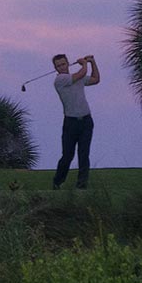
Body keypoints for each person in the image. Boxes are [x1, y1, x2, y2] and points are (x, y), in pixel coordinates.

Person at [51, 53, 99, 189]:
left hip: (86, 121)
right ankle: (57, 181)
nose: (61, 67)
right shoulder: (60, 80)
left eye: (63, 64)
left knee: (84, 154)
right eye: (58, 65)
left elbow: (96, 79)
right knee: (67, 156)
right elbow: (80, 74)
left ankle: (82, 185)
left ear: (67, 63)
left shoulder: (79, 78)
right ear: (55, 68)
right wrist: (84, 63)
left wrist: (92, 62)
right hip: (70, 123)